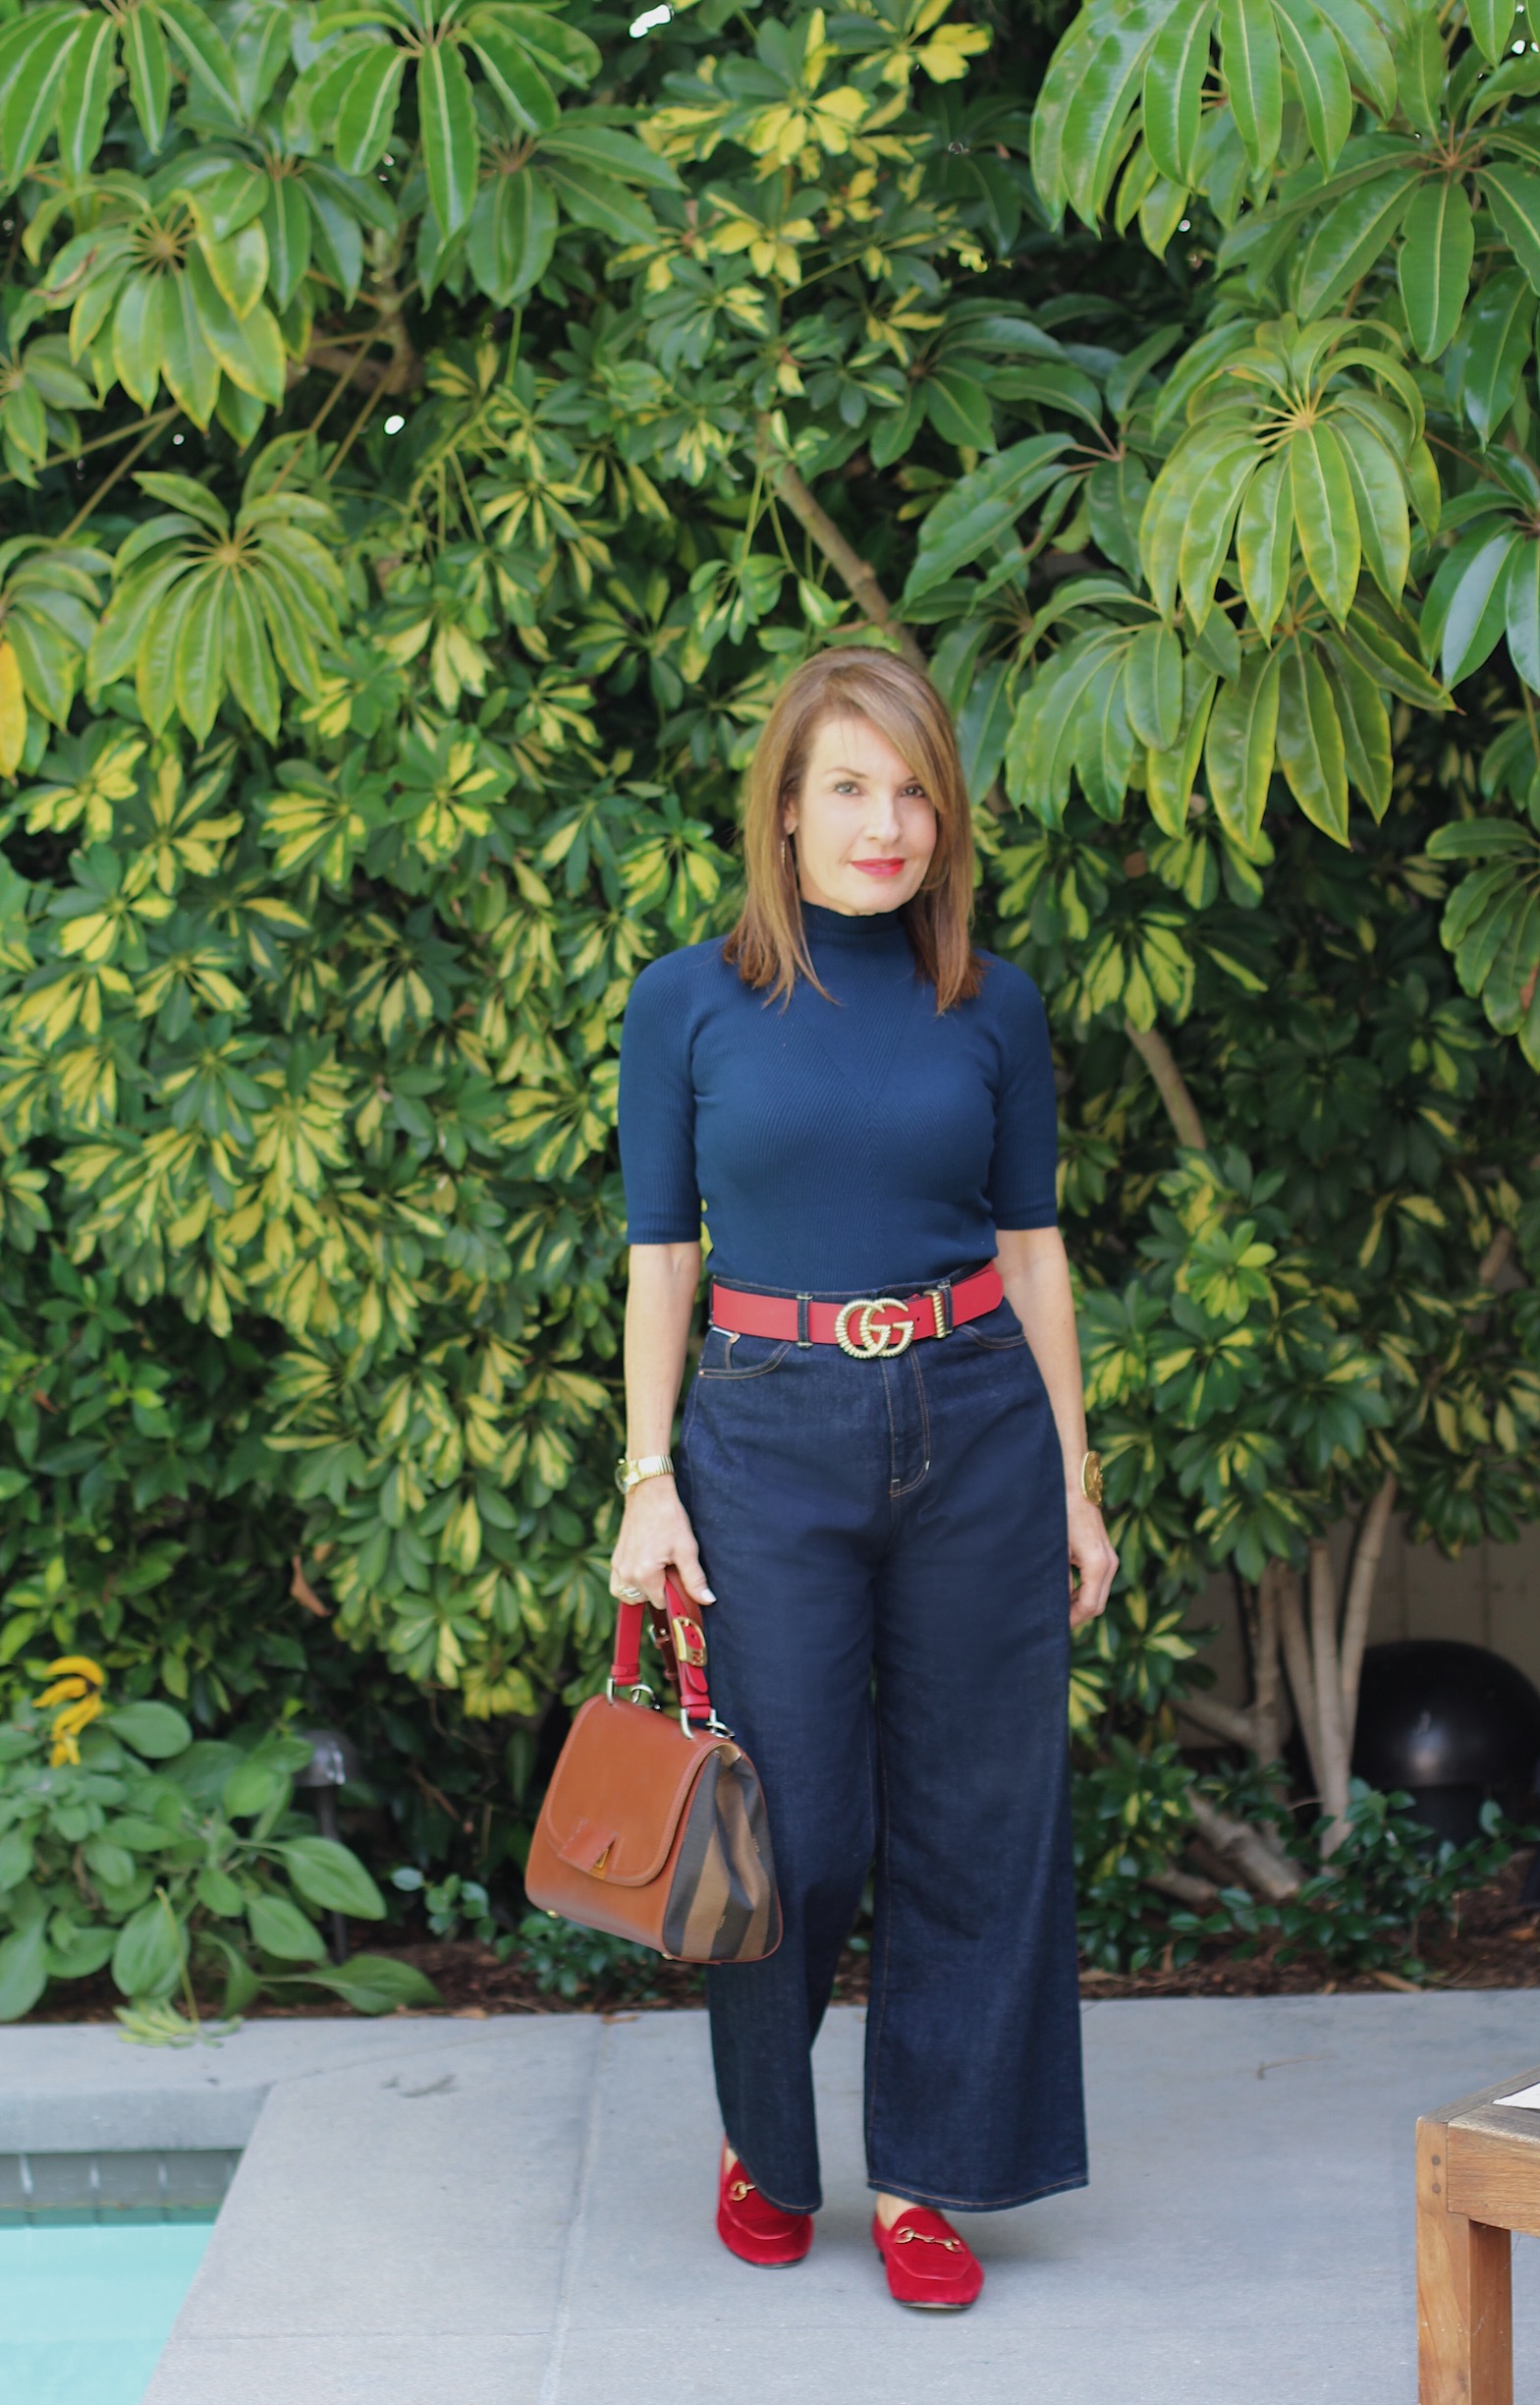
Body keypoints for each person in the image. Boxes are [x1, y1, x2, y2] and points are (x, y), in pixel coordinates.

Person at [611, 647, 1116, 2312]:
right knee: (794, 1828)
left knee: (981, 1822)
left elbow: (1036, 1253)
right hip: (763, 1436)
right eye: (848, 787)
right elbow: (660, 1260)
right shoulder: (687, 1001)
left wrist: (1075, 1484)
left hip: (977, 1422)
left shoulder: (996, 1004)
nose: (884, 823)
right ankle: (767, 2146)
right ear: (784, 807)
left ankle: (926, 2179)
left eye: (912, 791)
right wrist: (644, 1480)